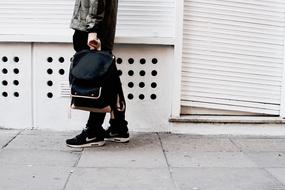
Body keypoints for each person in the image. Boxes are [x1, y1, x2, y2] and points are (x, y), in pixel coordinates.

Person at [66, 0, 129, 148]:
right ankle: (118, 126)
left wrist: (93, 30)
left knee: (96, 79)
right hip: (98, 28)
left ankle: (93, 131)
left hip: (91, 29)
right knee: (109, 78)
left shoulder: (93, 29)